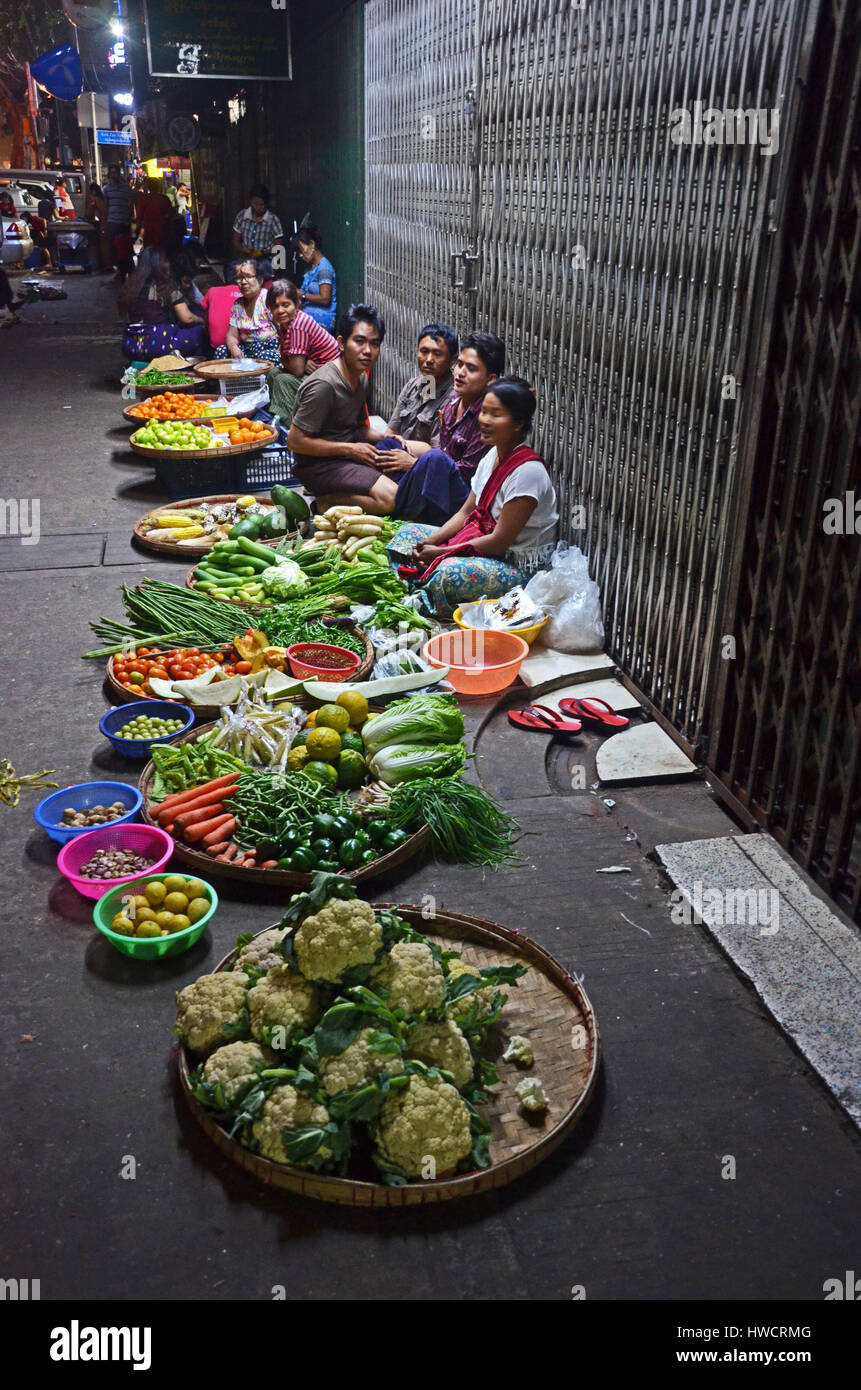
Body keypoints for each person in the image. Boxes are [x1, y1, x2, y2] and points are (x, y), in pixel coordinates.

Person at [387, 377, 558, 619]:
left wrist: (440, 553)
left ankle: (423, 590)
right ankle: (419, 584)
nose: (484, 421)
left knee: (446, 572)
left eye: (495, 414)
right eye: (484, 412)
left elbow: (499, 542)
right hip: (482, 543)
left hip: (515, 565)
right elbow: (466, 513)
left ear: (518, 423)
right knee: (407, 535)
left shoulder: (528, 473)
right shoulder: (491, 457)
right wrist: (433, 541)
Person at [375, 331, 505, 525]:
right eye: (460, 365)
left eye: (471, 368)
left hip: (456, 497)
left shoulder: (483, 416)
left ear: (490, 379)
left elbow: (461, 473)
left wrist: (414, 464)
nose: (428, 360)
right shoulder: (434, 392)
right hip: (427, 469)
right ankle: (386, 500)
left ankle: (393, 511)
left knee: (433, 459)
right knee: (388, 444)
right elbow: (394, 429)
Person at [287, 303, 397, 513]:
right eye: (359, 341)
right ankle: (325, 503)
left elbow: (360, 428)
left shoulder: (360, 377)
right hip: (319, 466)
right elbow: (294, 441)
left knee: (405, 471)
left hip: (347, 457)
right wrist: (350, 449)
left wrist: (387, 439)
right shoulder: (325, 386)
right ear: (341, 343)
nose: (367, 351)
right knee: (392, 498)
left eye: (375, 344)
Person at [266, 279, 340, 425]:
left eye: (285, 305)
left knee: (283, 380)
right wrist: (298, 363)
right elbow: (287, 360)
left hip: (331, 381)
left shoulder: (298, 325)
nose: (280, 310)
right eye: (275, 306)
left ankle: (291, 426)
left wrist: (297, 364)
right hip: (316, 373)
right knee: (273, 373)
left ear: (297, 304)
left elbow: (297, 371)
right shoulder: (284, 324)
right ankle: (277, 417)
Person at [124, 251, 206, 359]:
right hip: (156, 344)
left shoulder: (132, 287)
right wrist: (203, 321)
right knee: (200, 331)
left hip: (131, 344)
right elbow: (187, 318)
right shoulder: (166, 287)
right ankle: (191, 365)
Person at [215, 260, 280, 365]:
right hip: (247, 351)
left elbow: (283, 328)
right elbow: (232, 335)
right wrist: (233, 347)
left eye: (248, 276)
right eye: (239, 278)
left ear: (259, 279)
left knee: (262, 358)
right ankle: (233, 382)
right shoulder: (238, 305)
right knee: (221, 351)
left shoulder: (267, 299)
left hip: (268, 350)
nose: (243, 282)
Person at [231, 184, 284, 282]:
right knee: (232, 270)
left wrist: (262, 252)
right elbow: (235, 240)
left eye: (261, 205)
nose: (258, 207)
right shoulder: (242, 216)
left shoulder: (273, 220)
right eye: (255, 204)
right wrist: (244, 249)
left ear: (266, 203)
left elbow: (279, 247)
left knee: (263, 269)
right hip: (245, 257)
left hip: (265, 258)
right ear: (250, 202)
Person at [296, 225, 337, 331]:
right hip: (311, 313)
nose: (300, 255)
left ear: (312, 244)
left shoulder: (324, 267)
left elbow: (325, 299)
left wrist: (303, 296)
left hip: (323, 318)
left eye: (302, 250)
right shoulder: (311, 267)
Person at [103, 165, 135, 280]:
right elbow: (105, 207)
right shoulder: (106, 189)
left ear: (119, 174)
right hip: (112, 222)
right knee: (115, 248)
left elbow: (130, 204)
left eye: (115, 172)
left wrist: (130, 219)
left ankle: (129, 270)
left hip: (124, 222)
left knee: (126, 248)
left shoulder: (125, 188)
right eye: (111, 173)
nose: (113, 175)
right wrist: (105, 223)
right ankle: (120, 271)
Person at [201, 279, 241, 351]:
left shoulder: (212, 291)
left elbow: (206, 322)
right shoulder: (250, 292)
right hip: (241, 348)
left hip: (216, 347)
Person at [84, 183, 109, 270]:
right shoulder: (97, 200)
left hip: (104, 225)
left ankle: (106, 265)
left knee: (103, 246)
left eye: (90, 193)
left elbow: (103, 213)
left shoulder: (98, 200)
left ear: (93, 192)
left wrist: (103, 226)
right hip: (103, 224)